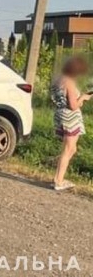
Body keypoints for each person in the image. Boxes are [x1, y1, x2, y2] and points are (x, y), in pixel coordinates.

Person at [50, 56, 90, 191]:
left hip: (60, 114)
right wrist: (84, 97)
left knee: (71, 149)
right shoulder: (69, 82)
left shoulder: (57, 80)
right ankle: (59, 180)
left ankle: (58, 177)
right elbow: (73, 105)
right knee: (68, 150)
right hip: (70, 117)